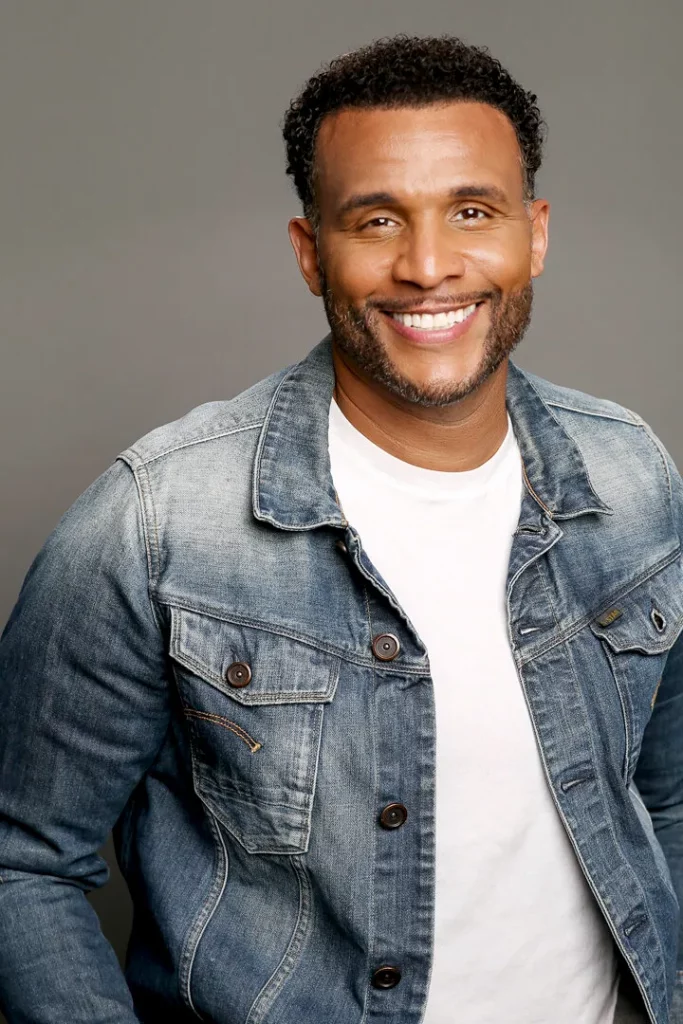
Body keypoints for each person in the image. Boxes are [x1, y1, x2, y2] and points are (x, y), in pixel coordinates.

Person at [0, 33, 680, 1024]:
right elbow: (21, 860)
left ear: (533, 234)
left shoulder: (631, 474)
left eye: (471, 212)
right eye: (376, 220)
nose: (428, 266)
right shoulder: (156, 523)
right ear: (310, 251)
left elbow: (663, 799)